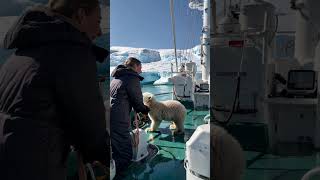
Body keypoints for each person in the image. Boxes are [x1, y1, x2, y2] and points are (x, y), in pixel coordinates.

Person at [0, 0, 110, 179]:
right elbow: (90, 126)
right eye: (97, 21)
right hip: (35, 165)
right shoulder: (73, 53)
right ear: (81, 15)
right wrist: (105, 156)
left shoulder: (22, 51)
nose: (99, 32)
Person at [110, 57, 150, 174]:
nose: (141, 71)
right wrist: (146, 110)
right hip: (119, 119)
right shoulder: (132, 78)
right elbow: (137, 102)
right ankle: (118, 173)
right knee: (125, 152)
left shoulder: (116, 78)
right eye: (140, 68)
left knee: (116, 146)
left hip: (110, 115)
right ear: (135, 66)